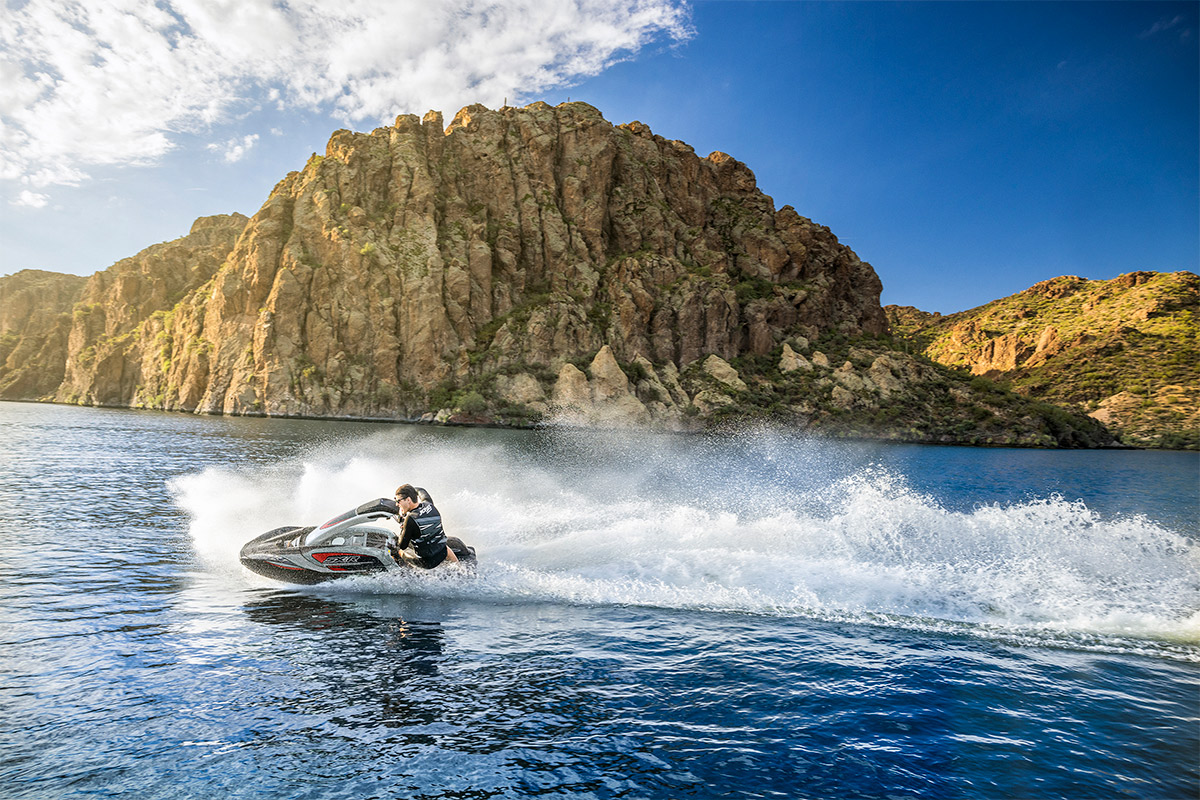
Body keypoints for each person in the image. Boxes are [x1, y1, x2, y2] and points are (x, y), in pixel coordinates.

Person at [392, 484, 459, 569]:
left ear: (408, 499)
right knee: (440, 542)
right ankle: (459, 567)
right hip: (443, 553)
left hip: (426, 563)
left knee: (398, 550)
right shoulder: (429, 504)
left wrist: (403, 526)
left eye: (398, 501)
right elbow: (421, 490)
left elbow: (402, 545)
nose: (397, 504)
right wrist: (411, 490)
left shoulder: (410, 519)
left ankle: (404, 570)